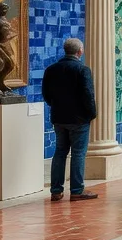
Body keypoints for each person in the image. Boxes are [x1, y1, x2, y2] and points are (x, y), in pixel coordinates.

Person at [42, 38, 97, 201]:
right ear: (80, 51)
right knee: (78, 153)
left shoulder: (51, 69)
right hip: (79, 119)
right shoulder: (82, 70)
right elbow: (88, 95)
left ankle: (56, 190)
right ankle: (77, 190)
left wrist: (56, 106)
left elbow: (46, 93)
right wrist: (92, 114)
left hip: (59, 117)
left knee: (60, 152)